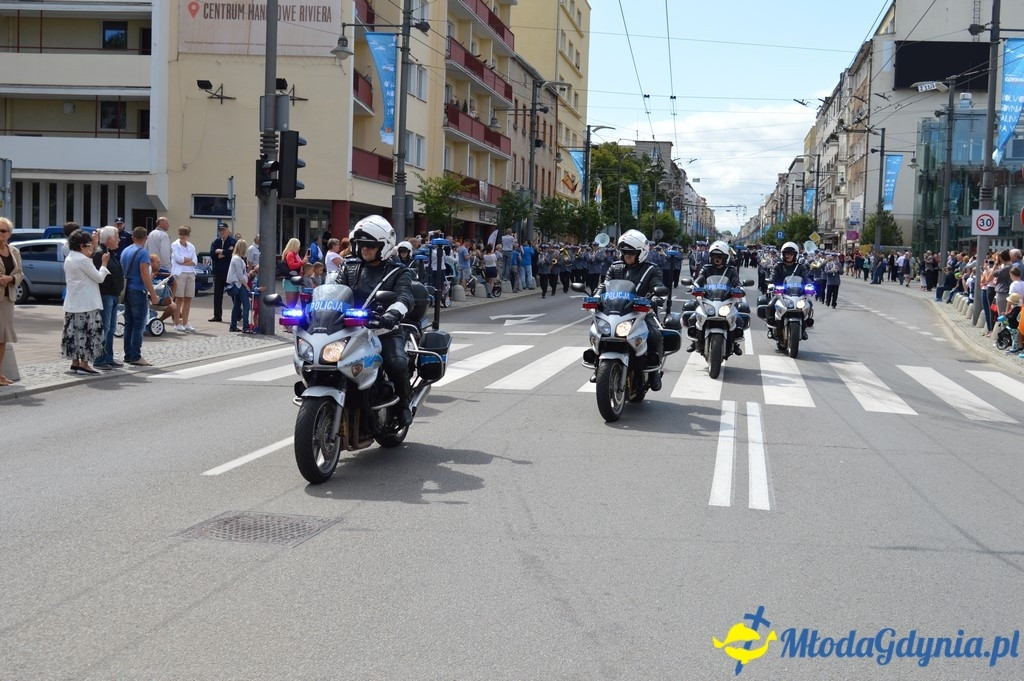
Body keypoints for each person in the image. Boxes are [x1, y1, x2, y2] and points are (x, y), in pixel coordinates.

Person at [333, 215, 416, 426]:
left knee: (396, 363)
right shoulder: (349, 268)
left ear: (384, 247)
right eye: (361, 245)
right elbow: (333, 290)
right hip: (350, 329)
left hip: (383, 330)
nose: (364, 250)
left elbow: (405, 297)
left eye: (370, 245)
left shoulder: (399, 272)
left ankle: (402, 405)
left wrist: (392, 315)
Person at [595, 229, 664, 391]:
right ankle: (599, 367)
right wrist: (597, 296)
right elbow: (603, 285)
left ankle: (654, 372)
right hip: (615, 310)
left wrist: (655, 298)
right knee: (597, 330)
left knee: (655, 334)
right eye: (624, 252)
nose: (627, 256)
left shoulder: (652, 269)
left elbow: (658, 286)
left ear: (641, 253)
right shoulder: (615, 267)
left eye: (631, 253)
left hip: (641, 311)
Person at [62, 229, 110, 375]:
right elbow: (99, 277)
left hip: (74, 302)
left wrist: (92, 251)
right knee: (88, 333)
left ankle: (75, 362)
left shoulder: (70, 257)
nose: (91, 248)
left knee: (74, 333)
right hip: (87, 303)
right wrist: (104, 264)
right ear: (82, 246)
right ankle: (84, 363)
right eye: (89, 245)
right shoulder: (82, 260)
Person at [689, 239, 744, 354]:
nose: (717, 258)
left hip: (726, 299)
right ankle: (695, 342)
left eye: (720, 256)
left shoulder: (731, 270)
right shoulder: (707, 268)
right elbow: (700, 278)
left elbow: (735, 281)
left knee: (739, 320)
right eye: (714, 256)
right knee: (692, 317)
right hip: (708, 299)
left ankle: (734, 342)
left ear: (726, 257)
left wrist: (739, 288)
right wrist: (694, 285)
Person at [119, 226, 160, 366]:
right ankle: (136, 356)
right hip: (138, 290)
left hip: (127, 289)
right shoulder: (143, 252)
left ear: (133, 237)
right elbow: (144, 274)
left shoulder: (125, 250)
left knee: (129, 323)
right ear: (146, 238)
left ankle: (128, 355)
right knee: (139, 324)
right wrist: (153, 294)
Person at [92, 226, 125, 370]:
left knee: (111, 328)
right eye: (117, 236)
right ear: (110, 239)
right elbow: (99, 275)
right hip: (105, 295)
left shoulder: (110, 252)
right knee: (104, 328)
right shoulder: (100, 253)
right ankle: (99, 359)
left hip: (113, 295)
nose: (119, 239)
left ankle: (108, 357)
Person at [0, 217, 23, 386]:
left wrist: (11, 278)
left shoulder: (14, 251)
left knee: (3, 338)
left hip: (8, 299)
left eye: (3, 231)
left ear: (9, 234)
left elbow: (20, 273)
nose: (0, 234)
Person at [170, 225, 198, 332]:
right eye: (181, 234)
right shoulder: (175, 245)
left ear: (188, 235)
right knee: (179, 299)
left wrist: (185, 261)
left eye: (184, 234)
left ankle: (185, 322)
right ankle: (177, 323)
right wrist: (187, 260)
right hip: (180, 273)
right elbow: (178, 259)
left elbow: (194, 261)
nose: (182, 236)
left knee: (188, 299)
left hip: (191, 273)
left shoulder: (191, 246)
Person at [208, 222, 236, 322]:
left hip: (230, 272)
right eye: (220, 231)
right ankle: (217, 315)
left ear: (228, 231)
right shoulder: (215, 242)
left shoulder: (233, 241)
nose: (222, 232)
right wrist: (223, 253)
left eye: (224, 230)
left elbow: (231, 253)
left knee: (233, 294)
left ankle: (238, 313)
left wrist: (220, 251)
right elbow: (212, 255)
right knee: (217, 296)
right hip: (218, 272)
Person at [227, 239, 252, 333]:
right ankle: (246, 326)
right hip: (240, 284)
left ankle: (233, 325)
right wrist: (246, 286)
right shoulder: (237, 259)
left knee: (237, 305)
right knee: (246, 305)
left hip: (238, 284)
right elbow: (240, 275)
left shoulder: (236, 258)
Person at [280, 237, 306, 307]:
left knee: (294, 304)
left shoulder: (296, 254)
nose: (299, 247)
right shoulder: (290, 254)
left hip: (296, 280)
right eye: (298, 245)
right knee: (291, 305)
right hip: (290, 280)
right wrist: (302, 262)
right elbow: (291, 266)